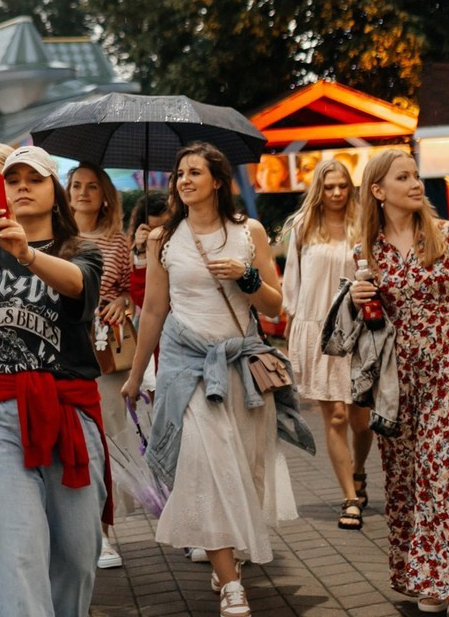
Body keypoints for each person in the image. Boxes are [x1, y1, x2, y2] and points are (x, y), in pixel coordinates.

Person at [121, 142, 310, 617]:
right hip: (186, 370)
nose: (184, 181)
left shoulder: (248, 232)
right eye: (179, 173)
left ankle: (226, 557)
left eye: (195, 173)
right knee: (209, 466)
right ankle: (231, 586)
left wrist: (247, 277)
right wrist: (137, 372)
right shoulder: (163, 238)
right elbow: (154, 311)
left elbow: (274, 305)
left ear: (218, 182)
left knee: (243, 470)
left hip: (240, 368)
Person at [0, 145, 108, 617]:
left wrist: (29, 255)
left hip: (69, 413)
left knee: (77, 558)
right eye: (11, 181)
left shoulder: (83, 251)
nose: (20, 188)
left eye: (32, 180)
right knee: (17, 549)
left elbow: (79, 287)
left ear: (54, 192)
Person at [349, 149, 449, 617]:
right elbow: (365, 326)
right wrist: (356, 297)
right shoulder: (366, 252)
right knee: (411, 485)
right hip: (398, 387)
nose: (415, 184)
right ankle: (429, 579)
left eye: (416, 175)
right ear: (378, 190)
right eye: (402, 177)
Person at [280, 158, 373, 530]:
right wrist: (292, 328)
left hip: (357, 330)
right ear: (319, 189)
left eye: (342, 186)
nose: (336, 193)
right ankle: (350, 497)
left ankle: (360, 470)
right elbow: (293, 282)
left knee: (361, 419)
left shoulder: (363, 224)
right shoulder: (303, 227)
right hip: (315, 329)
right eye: (329, 186)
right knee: (334, 416)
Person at [67, 161, 134, 570]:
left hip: (108, 350)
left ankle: (106, 533)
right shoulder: (58, 237)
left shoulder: (117, 241)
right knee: (73, 439)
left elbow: (127, 291)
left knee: (110, 438)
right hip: (66, 348)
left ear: (104, 194)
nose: (83, 192)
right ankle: (78, 529)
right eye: (76, 185)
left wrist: (121, 300)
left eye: (92, 186)